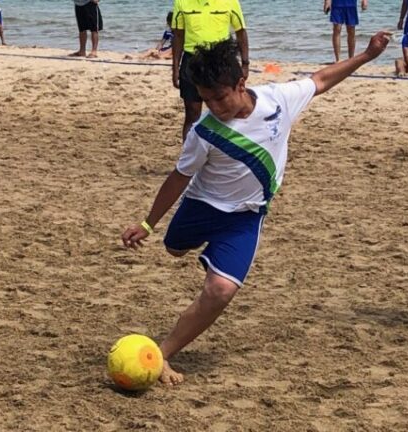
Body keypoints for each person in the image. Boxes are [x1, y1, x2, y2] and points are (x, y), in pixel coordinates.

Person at [122, 32, 391, 385]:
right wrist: (148, 222)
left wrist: (368, 55)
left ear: (241, 82)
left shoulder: (278, 100)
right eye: (206, 100)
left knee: (220, 290)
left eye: (219, 97)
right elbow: (178, 177)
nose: (214, 107)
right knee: (173, 249)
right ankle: (186, 244)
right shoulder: (204, 133)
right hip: (201, 206)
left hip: (245, 217)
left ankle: (164, 353)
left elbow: (322, 79)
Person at [172, 0, 249, 141]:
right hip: (192, 62)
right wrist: (175, 67)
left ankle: (230, 151)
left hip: (222, 61)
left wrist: (245, 63)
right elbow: (178, 35)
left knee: (228, 109)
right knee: (192, 113)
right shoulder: (181, 2)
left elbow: (241, 32)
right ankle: (189, 156)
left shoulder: (230, 2)